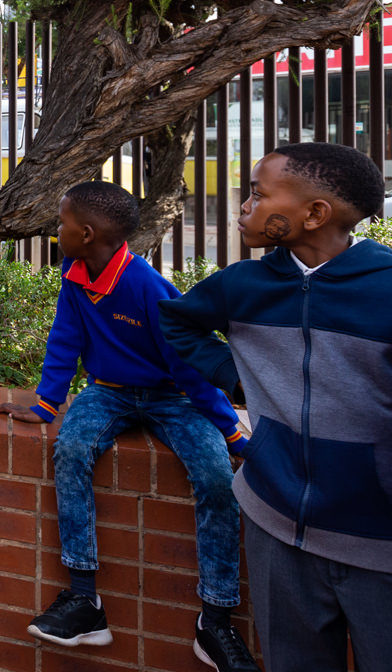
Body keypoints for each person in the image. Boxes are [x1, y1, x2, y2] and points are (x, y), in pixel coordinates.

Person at [0, 181, 259, 672]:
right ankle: (85, 601)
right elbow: (64, 339)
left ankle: (216, 620)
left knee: (217, 478)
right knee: (71, 451)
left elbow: (188, 367)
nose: (57, 230)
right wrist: (47, 406)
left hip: (175, 398)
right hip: (108, 391)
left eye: (61, 223)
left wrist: (231, 430)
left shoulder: (146, 287)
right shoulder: (74, 276)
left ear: (87, 233)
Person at [159, 143, 392, 672]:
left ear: (314, 214)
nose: (245, 206)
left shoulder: (386, 288)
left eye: (260, 195)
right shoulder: (243, 285)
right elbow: (176, 321)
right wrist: (237, 381)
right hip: (275, 527)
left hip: (379, 543)